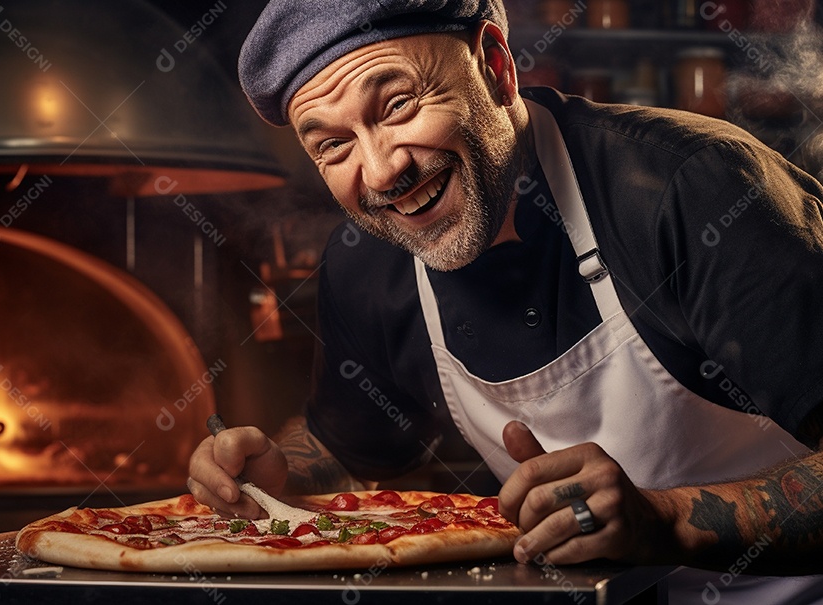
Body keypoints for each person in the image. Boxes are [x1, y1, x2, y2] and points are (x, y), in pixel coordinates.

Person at [187, 0, 823, 601]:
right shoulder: (365, 266)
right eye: (333, 145)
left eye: (399, 104)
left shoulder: (694, 189)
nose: (380, 174)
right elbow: (349, 450)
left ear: (495, 66)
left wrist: (667, 520)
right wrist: (277, 473)